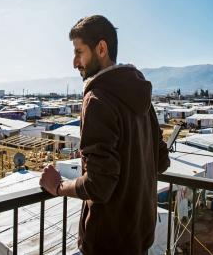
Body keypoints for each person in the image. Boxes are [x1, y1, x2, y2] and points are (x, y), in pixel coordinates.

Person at [39, 15, 170, 254]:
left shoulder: (97, 100)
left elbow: (99, 185)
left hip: (108, 242)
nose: (74, 62)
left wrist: (58, 186)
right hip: (140, 234)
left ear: (101, 48)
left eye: (79, 52)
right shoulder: (142, 99)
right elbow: (161, 161)